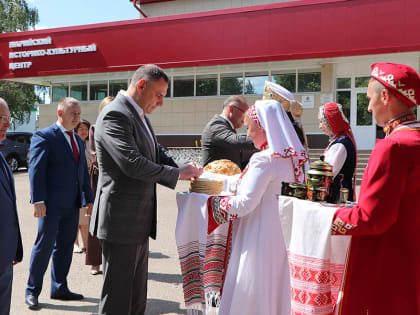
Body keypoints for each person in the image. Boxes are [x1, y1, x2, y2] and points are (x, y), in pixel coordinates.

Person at [89, 64, 202, 315]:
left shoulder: (139, 115)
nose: (161, 102)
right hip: (120, 223)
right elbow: (132, 163)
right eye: (159, 95)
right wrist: (177, 174)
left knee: (136, 300)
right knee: (118, 301)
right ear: (141, 85)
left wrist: (187, 167)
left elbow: (157, 153)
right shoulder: (114, 114)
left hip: (136, 223)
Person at [331, 63, 420, 314]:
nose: (368, 107)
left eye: (370, 98)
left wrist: (321, 217)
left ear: (385, 96)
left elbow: (372, 218)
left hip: (387, 267)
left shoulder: (393, 146)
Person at [206, 99, 309, 315]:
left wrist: (209, 204)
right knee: (275, 290)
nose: (249, 134)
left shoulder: (264, 160)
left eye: (250, 128)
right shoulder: (295, 158)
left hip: (258, 236)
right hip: (282, 236)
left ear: (263, 127)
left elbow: (244, 203)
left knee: (253, 291)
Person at [25, 97, 94, 310]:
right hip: (50, 206)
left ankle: (59, 288)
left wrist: (88, 199)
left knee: (64, 248)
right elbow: (35, 170)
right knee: (44, 247)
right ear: (60, 113)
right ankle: (32, 291)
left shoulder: (77, 139)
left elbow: (82, 171)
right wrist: (38, 200)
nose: (77, 118)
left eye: (79, 114)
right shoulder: (44, 136)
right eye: (73, 113)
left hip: (72, 205)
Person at [85, 96, 114, 276]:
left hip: (120, 179)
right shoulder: (95, 128)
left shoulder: (124, 127)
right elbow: (95, 153)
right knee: (96, 220)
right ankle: (95, 262)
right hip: (99, 178)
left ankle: (111, 260)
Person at [0, 98, 23, 315]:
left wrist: (13, 248)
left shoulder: (2, 155)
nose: (7, 124)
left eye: (8, 118)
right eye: (1, 118)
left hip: (5, 256)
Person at [201, 95, 255, 169]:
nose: (246, 118)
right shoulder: (215, 125)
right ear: (232, 109)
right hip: (215, 179)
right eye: (244, 113)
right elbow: (235, 141)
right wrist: (264, 140)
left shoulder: (227, 127)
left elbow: (236, 163)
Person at [318, 102, 357, 202]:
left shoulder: (340, 145)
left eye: (321, 122)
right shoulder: (340, 141)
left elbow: (328, 174)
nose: (320, 126)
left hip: (338, 196)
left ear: (330, 122)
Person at [73, 119, 92, 254]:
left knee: (85, 217)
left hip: (90, 181)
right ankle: (75, 243)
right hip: (76, 183)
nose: (84, 131)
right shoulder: (73, 144)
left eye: (86, 129)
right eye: (81, 129)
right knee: (75, 217)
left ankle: (85, 243)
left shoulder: (91, 145)